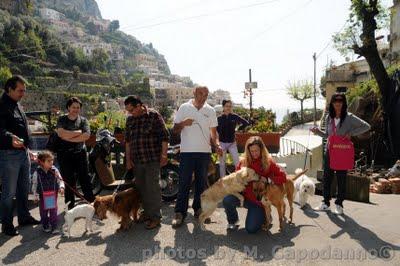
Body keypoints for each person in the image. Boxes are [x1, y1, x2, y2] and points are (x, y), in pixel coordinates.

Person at [311, 93, 370, 215]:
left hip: (342, 152)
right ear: (332, 103)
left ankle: (339, 204)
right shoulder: (329, 117)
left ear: (343, 103)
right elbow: (328, 136)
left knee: (341, 179)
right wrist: (317, 132)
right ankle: (325, 203)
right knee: (327, 178)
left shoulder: (349, 117)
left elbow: (366, 126)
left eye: (340, 101)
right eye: (335, 101)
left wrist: (351, 133)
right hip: (330, 151)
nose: (337, 103)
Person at [171, 86, 223, 228]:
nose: (203, 96)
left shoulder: (210, 111)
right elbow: (174, 130)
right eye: (200, 93)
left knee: (201, 184)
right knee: (184, 183)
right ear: (194, 93)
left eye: (206, 94)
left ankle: (198, 209)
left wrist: (217, 145)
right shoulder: (184, 107)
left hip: (204, 153)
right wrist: (183, 124)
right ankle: (180, 213)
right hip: (187, 152)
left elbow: (213, 133)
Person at [0, 75, 40, 236]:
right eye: (20, 90)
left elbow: (23, 128)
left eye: (24, 90)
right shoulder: (2, 105)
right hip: (9, 154)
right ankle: (7, 224)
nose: (23, 93)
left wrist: (28, 149)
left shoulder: (17, 104)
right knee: (9, 192)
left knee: (24, 188)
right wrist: (10, 138)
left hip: (23, 153)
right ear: (9, 89)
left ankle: (24, 217)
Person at [223, 136, 287, 233]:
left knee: (251, 229)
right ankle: (233, 221)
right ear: (248, 151)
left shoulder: (268, 162)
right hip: (243, 197)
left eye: (256, 150)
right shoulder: (243, 162)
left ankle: (266, 216)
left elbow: (283, 177)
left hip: (258, 203)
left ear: (261, 149)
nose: (254, 153)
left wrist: (268, 179)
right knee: (227, 200)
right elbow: (235, 178)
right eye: (251, 151)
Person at [124, 95, 169, 229]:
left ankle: (155, 217)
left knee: (153, 188)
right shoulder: (130, 120)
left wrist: (164, 155)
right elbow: (127, 141)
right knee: (141, 188)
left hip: (152, 159)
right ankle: (146, 213)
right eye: (128, 110)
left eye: (131, 110)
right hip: (137, 161)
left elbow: (164, 136)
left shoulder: (154, 116)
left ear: (139, 105)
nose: (130, 113)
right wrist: (128, 160)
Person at [55, 97, 94, 210]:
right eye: (73, 107)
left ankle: (90, 203)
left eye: (78, 107)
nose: (76, 109)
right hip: (65, 155)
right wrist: (77, 133)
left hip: (80, 153)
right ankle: (70, 206)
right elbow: (60, 133)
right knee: (68, 180)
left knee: (85, 178)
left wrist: (67, 137)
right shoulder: (62, 119)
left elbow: (86, 136)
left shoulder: (83, 120)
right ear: (68, 107)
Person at [32, 151, 65, 233]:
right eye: (48, 161)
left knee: (53, 210)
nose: (51, 162)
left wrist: (61, 187)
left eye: (52, 160)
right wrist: (35, 196)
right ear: (42, 162)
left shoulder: (55, 170)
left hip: (52, 195)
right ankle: (45, 225)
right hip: (43, 196)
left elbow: (60, 180)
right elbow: (34, 185)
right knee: (43, 212)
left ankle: (54, 226)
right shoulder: (37, 172)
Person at [217, 99, 249, 177]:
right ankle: (223, 182)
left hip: (232, 143)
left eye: (230, 106)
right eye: (227, 106)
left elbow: (246, 123)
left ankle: (239, 180)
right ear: (223, 107)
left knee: (237, 163)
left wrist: (238, 129)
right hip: (222, 144)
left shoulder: (234, 116)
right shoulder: (219, 118)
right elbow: (215, 130)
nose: (228, 108)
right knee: (222, 164)